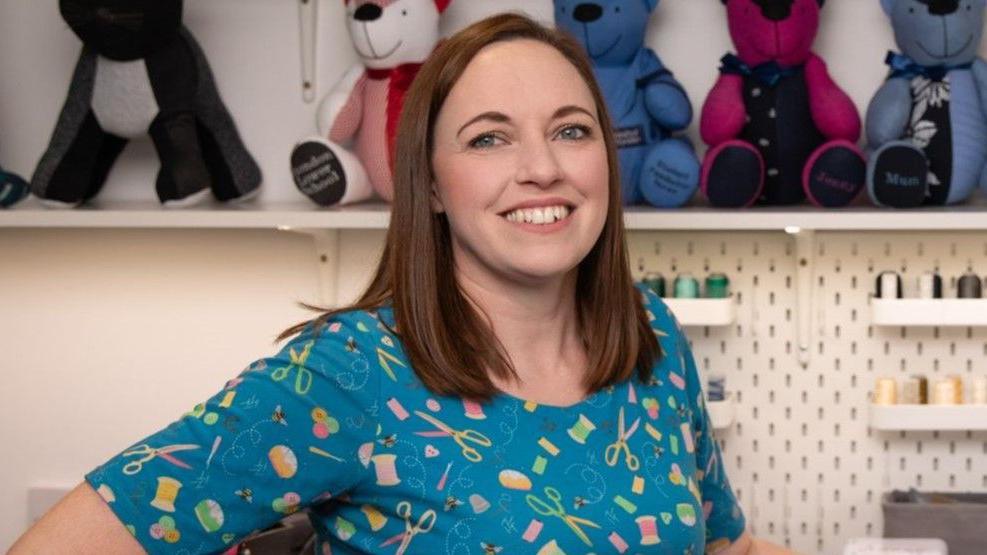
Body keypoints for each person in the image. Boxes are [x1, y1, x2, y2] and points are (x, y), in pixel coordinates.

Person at [12, 14, 796, 555]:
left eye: (570, 129)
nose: (543, 168)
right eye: (489, 137)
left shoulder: (649, 333)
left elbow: (719, 542)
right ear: (426, 184)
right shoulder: (348, 375)